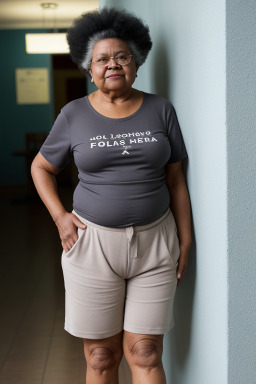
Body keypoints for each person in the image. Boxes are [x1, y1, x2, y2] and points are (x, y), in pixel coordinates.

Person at [31, 7, 191, 384]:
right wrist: (60, 217)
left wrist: (186, 240)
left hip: (155, 242)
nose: (113, 64)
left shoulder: (161, 110)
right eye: (102, 59)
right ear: (89, 69)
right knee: (102, 358)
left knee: (145, 351)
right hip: (92, 245)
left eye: (122, 57)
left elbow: (177, 181)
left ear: (136, 64)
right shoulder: (73, 114)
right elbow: (41, 168)